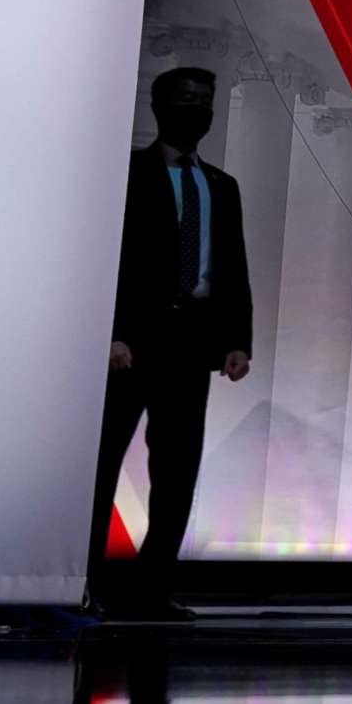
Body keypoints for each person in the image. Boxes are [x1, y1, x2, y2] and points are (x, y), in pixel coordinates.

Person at [90, 66, 253, 612]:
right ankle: (84, 583)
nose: (198, 109)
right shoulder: (124, 173)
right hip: (131, 344)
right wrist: (110, 332)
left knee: (179, 468)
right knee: (102, 462)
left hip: (193, 341)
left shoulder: (222, 187)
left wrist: (238, 341)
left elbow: (233, 269)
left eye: (205, 100)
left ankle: (153, 589)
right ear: (160, 106)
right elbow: (105, 258)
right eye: (187, 98)